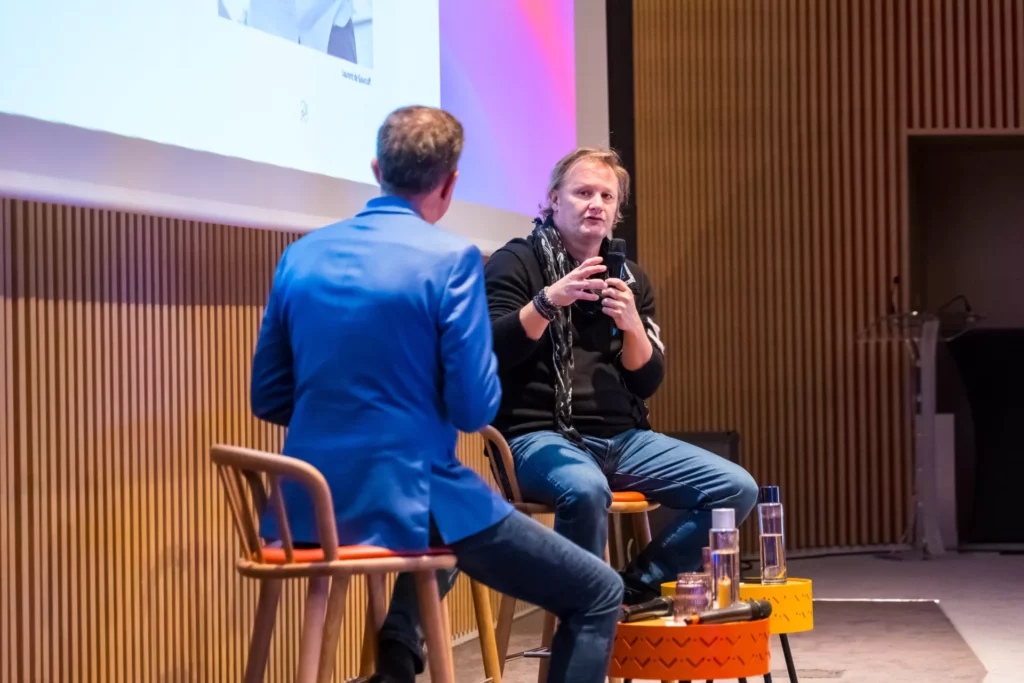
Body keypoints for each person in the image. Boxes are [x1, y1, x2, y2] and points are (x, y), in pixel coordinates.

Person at [250, 107, 623, 683]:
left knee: (451, 518)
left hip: (304, 507)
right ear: (450, 185)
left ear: (376, 168)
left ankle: (398, 658)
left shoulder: (300, 254)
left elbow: (268, 396)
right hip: (408, 501)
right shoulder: (449, 260)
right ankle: (399, 653)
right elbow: (475, 410)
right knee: (599, 589)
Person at [482, 147, 759, 605]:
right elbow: (490, 351)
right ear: (553, 199)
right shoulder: (517, 262)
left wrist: (633, 325)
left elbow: (646, 382)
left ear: (616, 210)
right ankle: (583, 617)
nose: (596, 204)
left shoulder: (630, 277)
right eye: (583, 192)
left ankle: (631, 586)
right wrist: (549, 301)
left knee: (734, 488)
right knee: (586, 490)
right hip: (538, 437)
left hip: (623, 439)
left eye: (606, 196)